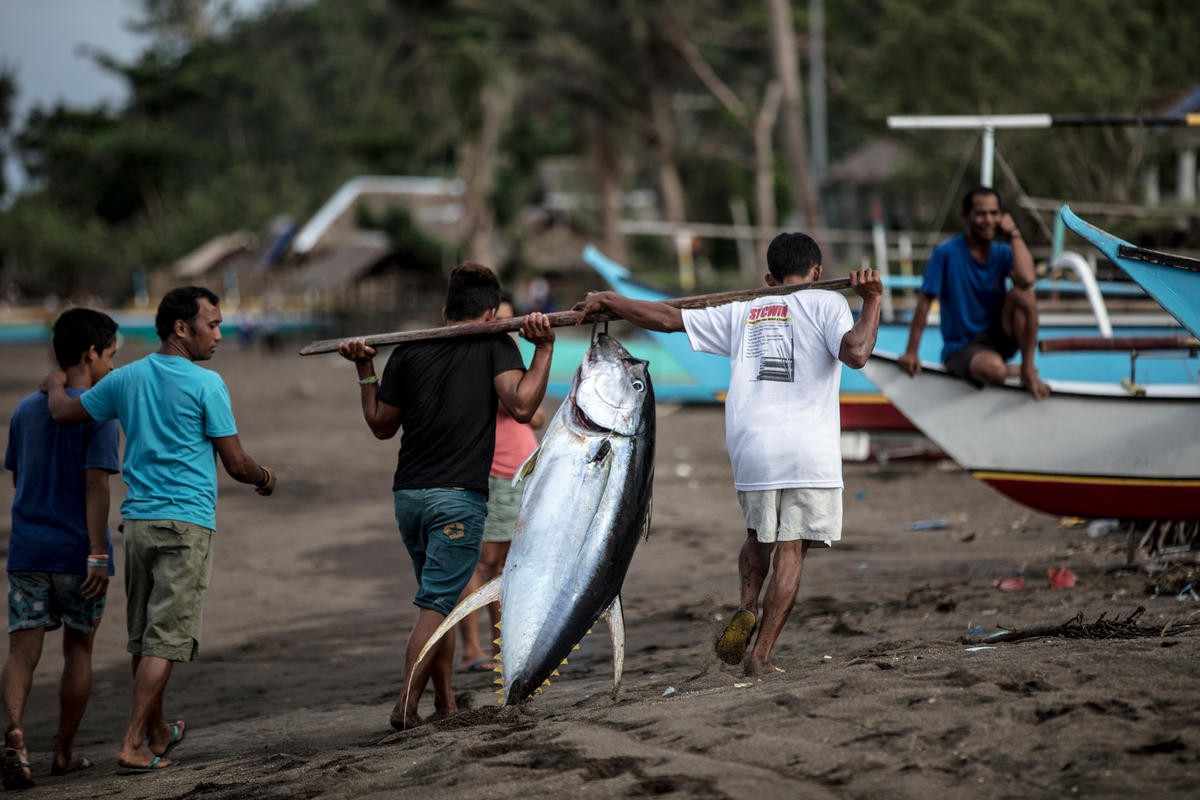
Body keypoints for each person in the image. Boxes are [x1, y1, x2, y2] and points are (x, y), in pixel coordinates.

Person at [577, 233, 882, 676]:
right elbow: (856, 353)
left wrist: (611, 299)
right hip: (806, 451)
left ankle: (746, 604)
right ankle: (760, 656)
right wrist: (870, 300)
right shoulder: (828, 303)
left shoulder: (745, 309)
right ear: (816, 273)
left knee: (759, 536)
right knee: (791, 549)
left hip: (753, 447)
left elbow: (665, 318)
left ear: (768, 277)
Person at [45, 287, 277, 773]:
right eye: (211, 324)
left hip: (140, 525)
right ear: (180, 328)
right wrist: (265, 477)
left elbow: (66, 413)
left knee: (145, 637)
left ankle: (155, 729)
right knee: (165, 640)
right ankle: (132, 742)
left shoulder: (126, 378)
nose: (219, 333)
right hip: (185, 523)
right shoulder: (207, 384)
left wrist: (54, 385)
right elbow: (235, 463)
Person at [336, 264, 554, 730]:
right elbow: (522, 405)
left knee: (443, 602)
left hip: (409, 499)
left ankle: (448, 703)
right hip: (457, 500)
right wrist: (544, 350)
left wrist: (364, 369)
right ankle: (406, 705)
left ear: (445, 308)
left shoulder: (411, 350)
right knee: (436, 607)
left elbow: (379, 424)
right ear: (492, 312)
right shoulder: (495, 342)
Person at [2, 310, 120, 790]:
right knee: (78, 650)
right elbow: (97, 485)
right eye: (112, 354)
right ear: (90, 354)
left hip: (28, 549)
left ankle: (13, 734)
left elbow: (18, 476)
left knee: (22, 650)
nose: (114, 365)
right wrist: (96, 550)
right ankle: (65, 753)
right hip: (77, 552)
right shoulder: (97, 411)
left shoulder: (27, 410)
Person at [455, 294, 546, 672]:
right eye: (504, 321)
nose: (511, 329)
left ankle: (497, 647)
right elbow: (525, 411)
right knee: (487, 565)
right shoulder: (486, 362)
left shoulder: (496, 359)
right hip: (501, 472)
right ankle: (477, 650)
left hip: (517, 469)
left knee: (503, 565)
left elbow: (531, 415)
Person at [898, 186, 1049, 399]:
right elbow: (924, 303)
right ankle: (1012, 371)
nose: (988, 220)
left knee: (1024, 295)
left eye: (994, 213)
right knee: (994, 370)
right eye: (980, 214)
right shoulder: (945, 253)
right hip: (962, 347)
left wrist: (1014, 233)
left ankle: (1027, 368)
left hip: (999, 337)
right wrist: (911, 351)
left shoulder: (1003, 252)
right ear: (966, 216)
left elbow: (1027, 280)